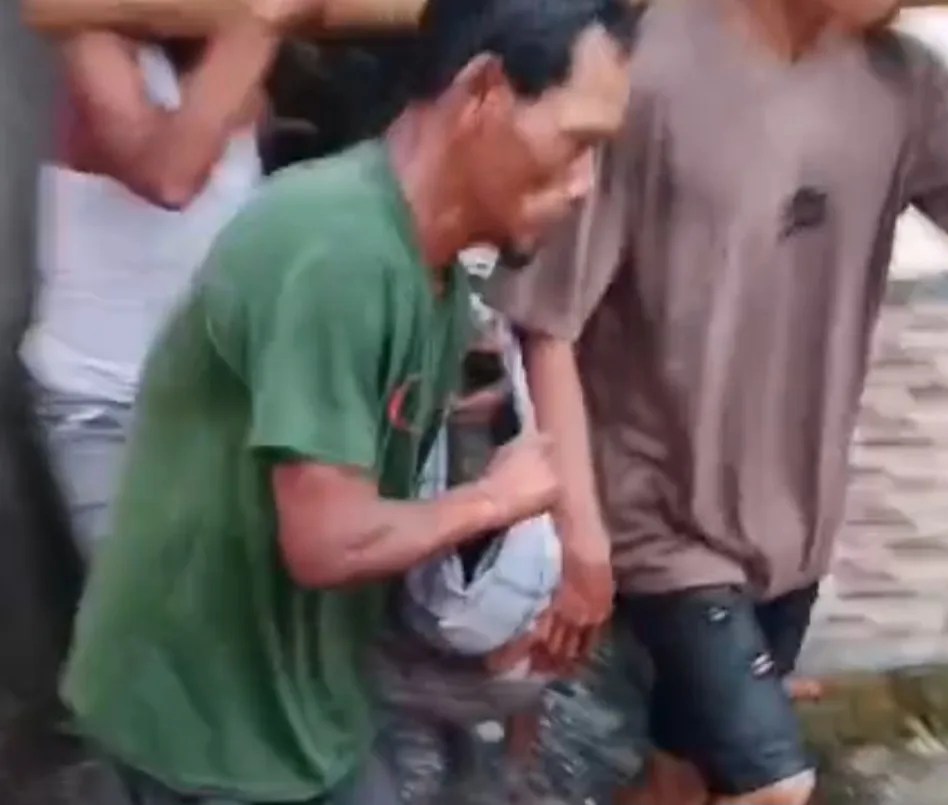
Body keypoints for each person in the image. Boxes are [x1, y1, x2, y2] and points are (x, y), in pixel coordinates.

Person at [489, 0, 948, 803]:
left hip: (791, 534)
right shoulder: (642, 69)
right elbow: (547, 320)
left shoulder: (899, 81)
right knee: (774, 786)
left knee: (682, 782)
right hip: (659, 523)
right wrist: (582, 530)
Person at [60, 1, 635, 804]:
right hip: (205, 728)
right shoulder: (336, 248)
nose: (584, 185)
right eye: (577, 143)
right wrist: (493, 500)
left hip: (299, 707)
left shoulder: (428, 276)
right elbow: (329, 540)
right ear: (485, 92)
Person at [20, 9, 298, 555]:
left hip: (217, 395)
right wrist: (259, 23)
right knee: (145, 602)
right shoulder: (92, 38)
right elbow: (169, 175)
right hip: (108, 404)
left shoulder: (218, 54)